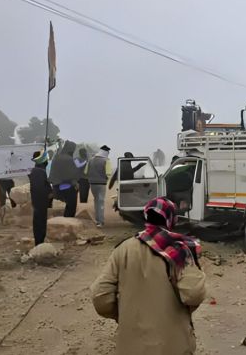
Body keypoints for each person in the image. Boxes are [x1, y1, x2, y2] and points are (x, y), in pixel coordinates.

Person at [91, 197, 206, 355]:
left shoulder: (123, 249)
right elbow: (194, 294)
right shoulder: (179, 251)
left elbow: (100, 297)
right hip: (172, 346)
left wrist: (123, 314)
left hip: (131, 347)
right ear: (172, 220)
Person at [49, 141, 82, 217]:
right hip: (66, 186)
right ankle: (69, 218)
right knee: (72, 202)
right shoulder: (69, 159)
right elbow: (71, 175)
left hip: (55, 186)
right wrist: (75, 183)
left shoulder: (56, 158)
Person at [29, 151, 53, 245]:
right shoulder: (38, 172)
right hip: (40, 201)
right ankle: (39, 242)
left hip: (39, 202)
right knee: (40, 223)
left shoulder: (37, 171)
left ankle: (40, 241)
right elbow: (39, 188)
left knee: (40, 222)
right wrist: (48, 194)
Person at [87, 145, 112, 227]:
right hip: (101, 184)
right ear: (106, 152)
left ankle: (97, 220)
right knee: (100, 202)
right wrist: (106, 179)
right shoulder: (106, 160)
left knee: (96, 201)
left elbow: (85, 171)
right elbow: (108, 173)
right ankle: (100, 222)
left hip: (92, 184)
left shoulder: (90, 160)